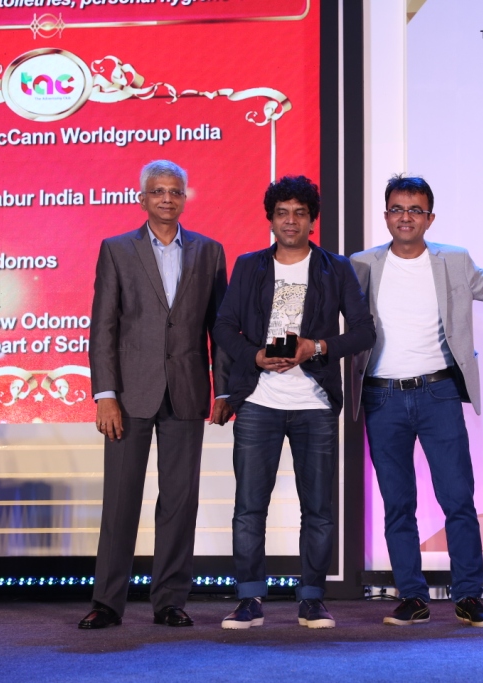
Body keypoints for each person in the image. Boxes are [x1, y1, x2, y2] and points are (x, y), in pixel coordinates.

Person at [349, 174, 483, 627]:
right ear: (386, 216)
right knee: (398, 502)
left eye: (415, 210)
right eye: (397, 209)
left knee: (458, 498)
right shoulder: (360, 265)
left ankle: (468, 596)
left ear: (430, 218)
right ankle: (412, 596)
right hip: (381, 396)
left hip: (439, 393)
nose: (405, 217)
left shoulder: (454, 261)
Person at [213, 175, 376, 629]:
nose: (290, 221)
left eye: (299, 213)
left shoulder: (335, 268)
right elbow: (223, 326)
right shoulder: (249, 266)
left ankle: (311, 598)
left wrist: (315, 348)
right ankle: (249, 598)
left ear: (312, 220)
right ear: (270, 219)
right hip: (258, 401)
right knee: (249, 507)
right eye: (282, 213)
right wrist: (255, 356)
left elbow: (364, 331)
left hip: (314, 402)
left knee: (318, 509)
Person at [79, 160, 233, 630]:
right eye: (158, 191)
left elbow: (220, 329)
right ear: (142, 199)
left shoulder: (209, 251)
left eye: (175, 191)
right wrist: (105, 394)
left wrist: (224, 388)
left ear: (184, 197)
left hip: (188, 391)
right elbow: (103, 327)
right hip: (128, 395)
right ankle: (108, 602)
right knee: (120, 500)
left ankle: (169, 600)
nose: (167, 198)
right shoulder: (116, 249)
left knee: (180, 501)